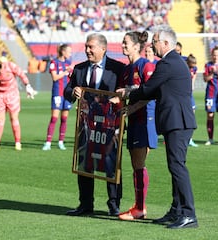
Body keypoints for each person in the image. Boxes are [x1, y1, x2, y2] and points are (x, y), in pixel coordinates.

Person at [118, 25, 198, 229]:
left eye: (155, 41)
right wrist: (134, 92)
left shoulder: (168, 63)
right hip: (177, 121)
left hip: (177, 121)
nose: (152, 45)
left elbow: (148, 88)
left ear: (166, 43)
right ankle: (176, 210)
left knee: (177, 166)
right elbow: (154, 91)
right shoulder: (172, 62)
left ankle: (188, 214)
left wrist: (128, 93)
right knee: (175, 166)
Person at [64, 33, 125, 216]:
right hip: (86, 125)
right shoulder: (80, 68)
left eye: (91, 47)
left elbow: (125, 94)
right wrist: (73, 90)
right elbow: (68, 90)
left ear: (103, 48)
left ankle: (114, 206)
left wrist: (118, 99)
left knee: (111, 164)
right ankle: (85, 204)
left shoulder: (118, 69)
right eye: (86, 46)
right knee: (84, 162)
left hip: (110, 125)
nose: (87, 50)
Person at [115, 31, 158, 221]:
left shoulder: (146, 65)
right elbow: (123, 95)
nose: (122, 45)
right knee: (135, 163)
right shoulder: (126, 70)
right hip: (132, 120)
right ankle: (138, 206)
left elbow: (150, 93)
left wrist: (132, 108)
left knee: (139, 163)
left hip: (145, 119)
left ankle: (140, 208)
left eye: (125, 42)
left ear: (135, 46)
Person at [0, 58, 36, 151]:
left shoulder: (10, 66)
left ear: (1, 67)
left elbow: (21, 74)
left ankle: (18, 142)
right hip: (0, 95)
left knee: (14, 118)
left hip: (12, 95)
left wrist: (27, 85)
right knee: (0, 120)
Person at [42, 44, 73, 151]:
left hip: (67, 94)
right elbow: (55, 77)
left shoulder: (68, 63)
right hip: (57, 94)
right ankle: (48, 142)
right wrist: (65, 72)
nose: (70, 54)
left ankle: (60, 142)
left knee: (64, 119)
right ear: (63, 52)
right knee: (54, 118)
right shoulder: (54, 63)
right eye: (69, 51)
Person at [186, 54, 199, 147]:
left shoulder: (194, 69)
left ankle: (190, 138)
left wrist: (192, 85)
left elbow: (193, 79)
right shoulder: (183, 67)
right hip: (183, 94)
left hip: (189, 94)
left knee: (192, 115)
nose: (194, 65)